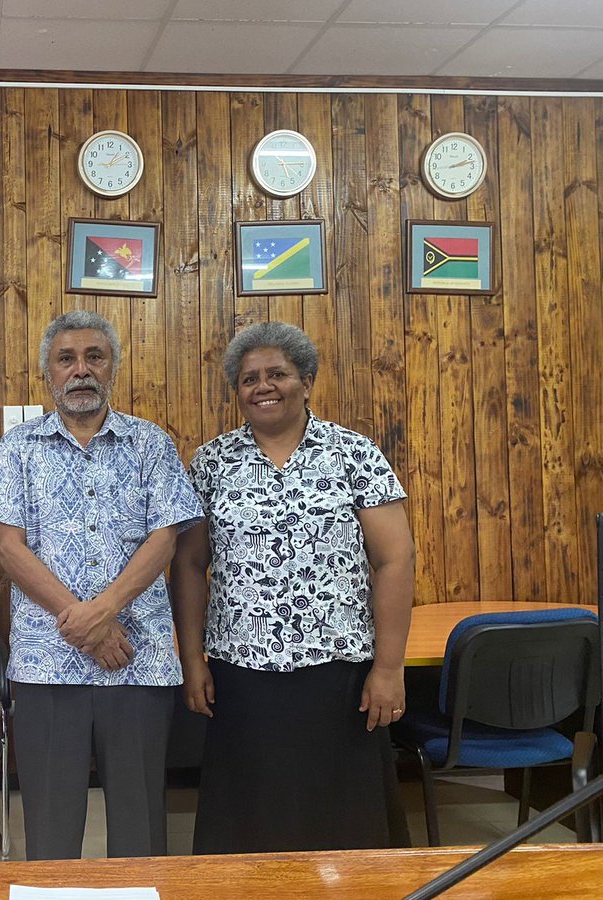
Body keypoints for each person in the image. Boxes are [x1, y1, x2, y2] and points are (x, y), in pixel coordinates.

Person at [172, 320, 415, 854]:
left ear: (306, 380)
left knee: (343, 825)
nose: (263, 386)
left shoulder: (354, 454)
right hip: (242, 676)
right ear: (237, 391)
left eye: (277, 374)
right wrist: (193, 660)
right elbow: (189, 567)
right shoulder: (212, 462)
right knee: (248, 823)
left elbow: (395, 561)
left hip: (340, 675)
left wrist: (389, 668)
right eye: (248, 378)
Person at [0, 310, 203, 860]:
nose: (81, 370)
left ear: (113, 368)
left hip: (139, 660)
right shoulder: (17, 449)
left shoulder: (150, 444)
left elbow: (165, 539)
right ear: (48, 374)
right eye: (66, 359)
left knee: (141, 824)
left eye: (94, 357)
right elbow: (9, 547)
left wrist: (103, 611)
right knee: (52, 828)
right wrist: (84, 623)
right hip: (46, 663)